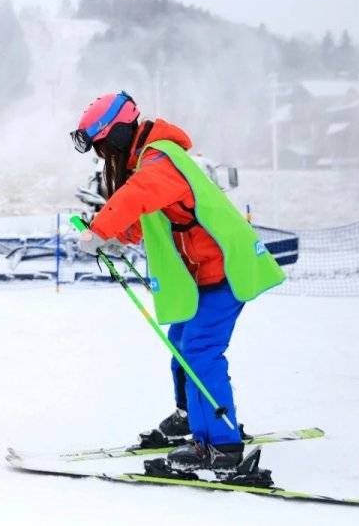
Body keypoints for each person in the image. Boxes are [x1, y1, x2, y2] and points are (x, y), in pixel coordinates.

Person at [71, 91, 284, 473]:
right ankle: (199, 429)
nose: (103, 157)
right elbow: (147, 216)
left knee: (200, 351)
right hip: (204, 274)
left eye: (103, 147)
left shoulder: (160, 159)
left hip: (225, 270)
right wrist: (118, 239)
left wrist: (101, 229)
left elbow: (137, 195)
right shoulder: (150, 161)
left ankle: (222, 445)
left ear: (117, 135)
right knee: (185, 345)